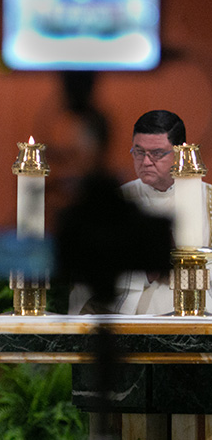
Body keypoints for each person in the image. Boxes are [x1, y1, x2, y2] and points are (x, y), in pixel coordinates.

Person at [68, 109, 212, 315]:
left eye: (157, 153)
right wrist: (147, 270)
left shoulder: (208, 201)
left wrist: (187, 268)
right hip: (131, 317)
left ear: (181, 152)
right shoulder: (115, 202)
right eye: (139, 152)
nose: (145, 162)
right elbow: (90, 273)